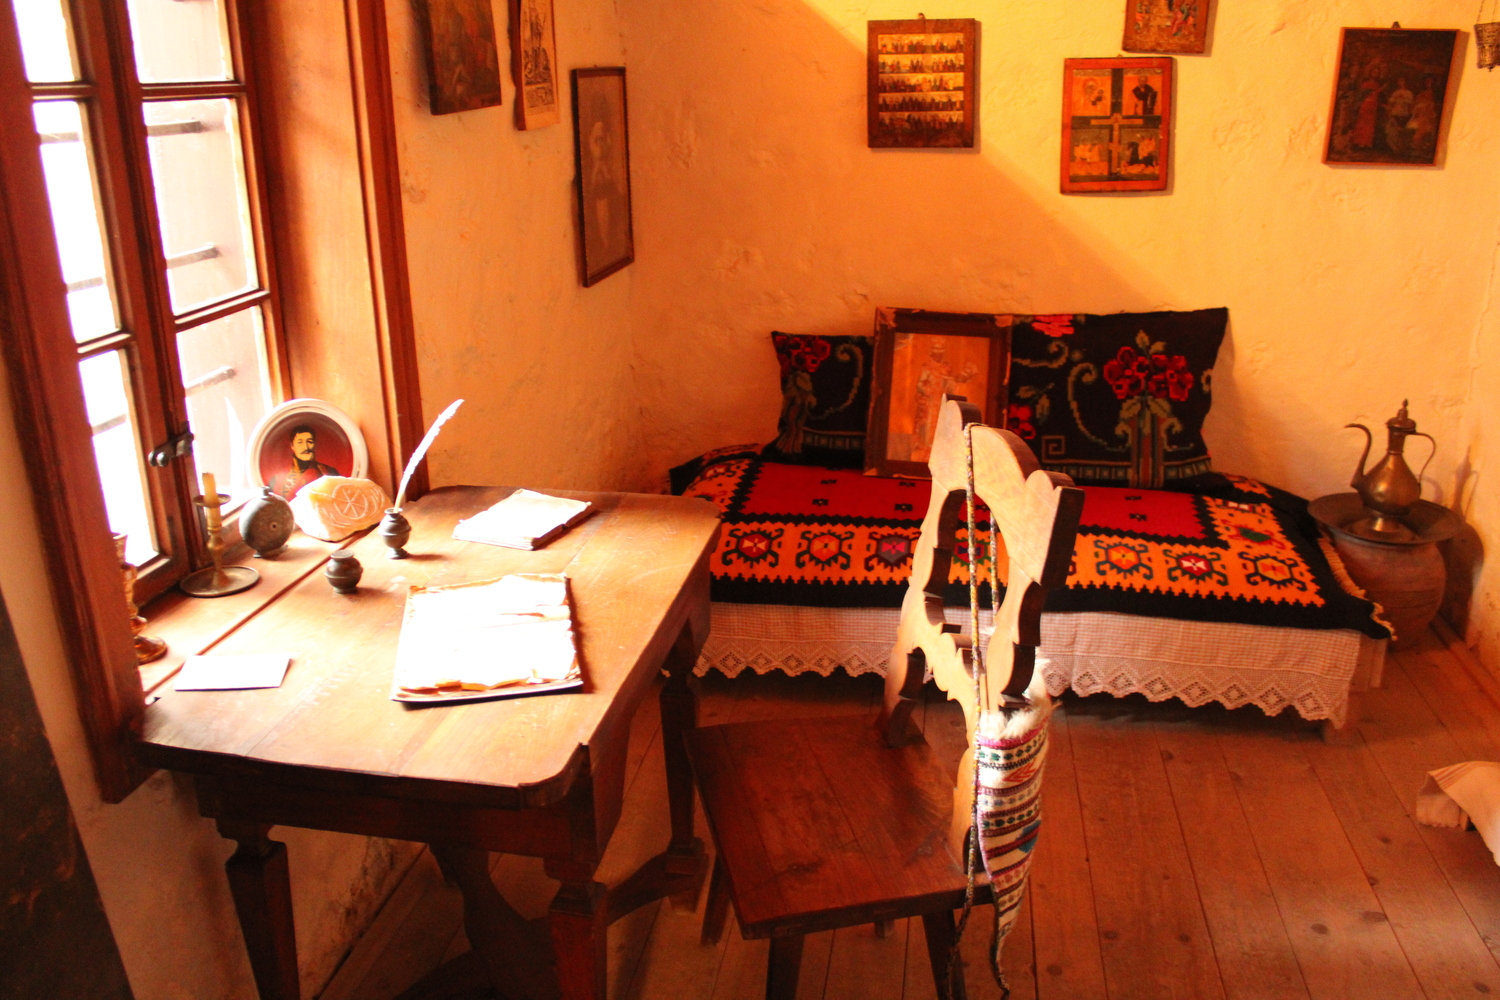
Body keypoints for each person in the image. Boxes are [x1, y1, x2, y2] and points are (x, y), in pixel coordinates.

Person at [267, 424, 341, 500]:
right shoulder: (277, 480)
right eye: (300, 442)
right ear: (292, 446)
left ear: (314, 444)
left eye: (310, 442)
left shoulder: (330, 473)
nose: (306, 447)